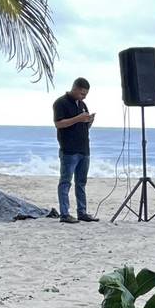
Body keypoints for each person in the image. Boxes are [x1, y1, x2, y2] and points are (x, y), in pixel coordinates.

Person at [53, 77, 99, 223]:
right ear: (74, 89)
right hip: (69, 150)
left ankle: (82, 212)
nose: (83, 97)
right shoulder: (61, 103)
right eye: (81, 93)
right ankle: (64, 214)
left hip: (84, 149)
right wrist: (78, 118)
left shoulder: (83, 104)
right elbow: (59, 124)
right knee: (66, 181)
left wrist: (88, 121)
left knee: (81, 182)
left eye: (85, 94)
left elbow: (83, 127)